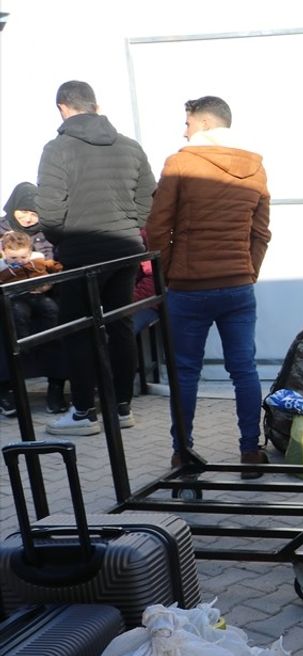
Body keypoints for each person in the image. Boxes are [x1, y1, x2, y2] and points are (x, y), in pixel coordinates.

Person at [144, 96, 271, 476]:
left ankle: (183, 453)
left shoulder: (181, 162)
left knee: (184, 371)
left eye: (186, 123)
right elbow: (260, 232)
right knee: (244, 369)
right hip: (237, 287)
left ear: (201, 123)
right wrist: (247, 273)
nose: (183, 131)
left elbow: (157, 228)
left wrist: (165, 274)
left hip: (188, 287)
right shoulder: (255, 166)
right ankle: (251, 452)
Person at [37, 80, 155, 436]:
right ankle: (121, 408)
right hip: (125, 250)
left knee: (79, 330)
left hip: (81, 254)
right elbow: (148, 196)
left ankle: (84, 412)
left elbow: (50, 211)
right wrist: (128, 228)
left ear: (62, 107)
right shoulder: (130, 146)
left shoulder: (58, 149)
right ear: (95, 105)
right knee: (118, 325)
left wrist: (65, 241)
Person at [0, 230, 68, 416]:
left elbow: (55, 268)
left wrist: (48, 283)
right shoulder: (4, 264)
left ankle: (56, 387)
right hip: (13, 301)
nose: (19, 261)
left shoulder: (38, 256)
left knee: (53, 314)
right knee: (16, 316)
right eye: (14, 257)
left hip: (41, 296)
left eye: (23, 257)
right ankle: (7, 388)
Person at [2, 182, 55, 258]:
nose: (28, 219)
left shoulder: (48, 233)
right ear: (13, 207)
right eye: (24, 212)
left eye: (34, 214)